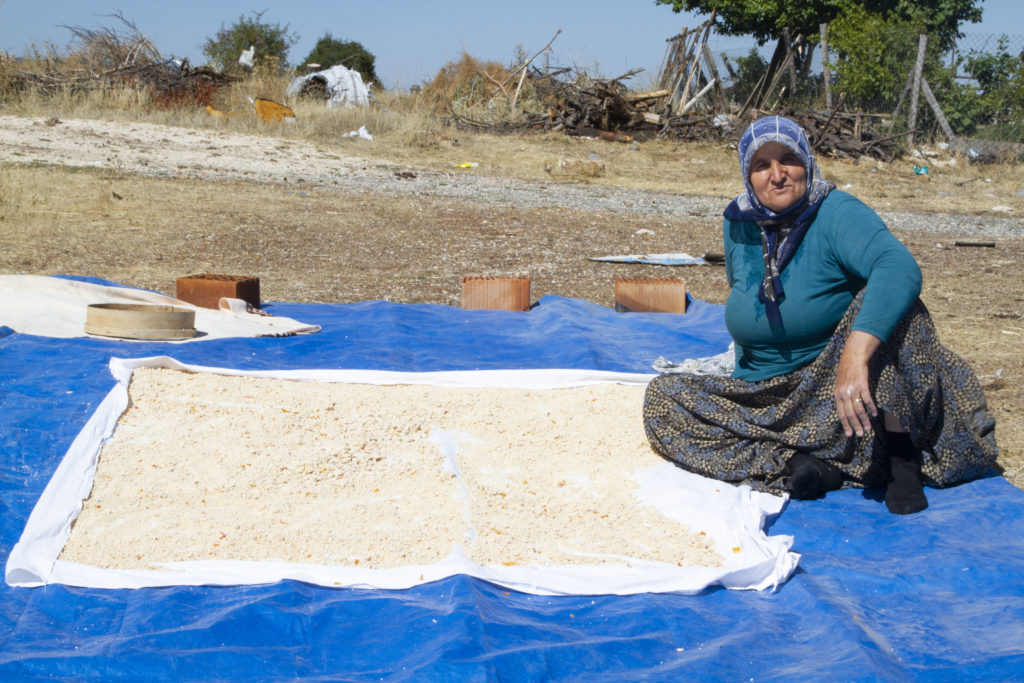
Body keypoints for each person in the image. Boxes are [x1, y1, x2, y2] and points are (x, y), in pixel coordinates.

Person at [643, 115, 998, 514]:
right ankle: (798, 464)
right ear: (748, 175)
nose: (777, 175)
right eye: (762, 165)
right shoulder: (740, 222)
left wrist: (854, 355)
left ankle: (901, 458)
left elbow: (898, 267)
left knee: (894, 308)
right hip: (770, 396)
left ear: (807, 163)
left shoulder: (835, 212)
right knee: (663, 400)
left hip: (841, 391)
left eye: (788, 160)